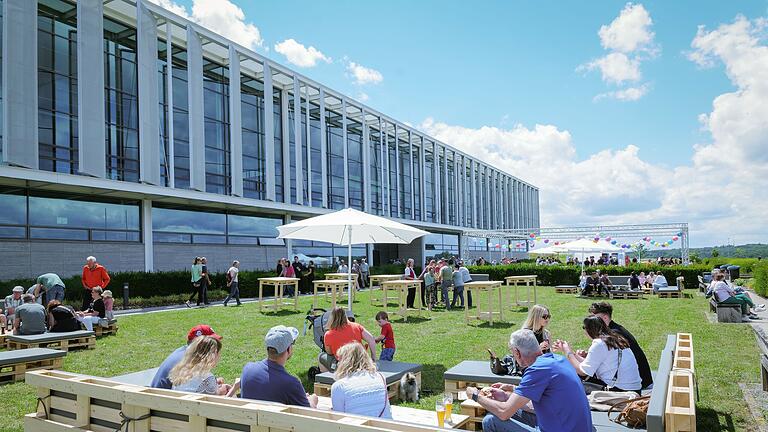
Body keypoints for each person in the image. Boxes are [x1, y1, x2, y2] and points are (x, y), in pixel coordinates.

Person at [466, 329, 592, 432]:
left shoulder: (537, 370)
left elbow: (504, 412)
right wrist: (506, 395)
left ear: (517, 352)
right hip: (576, 427)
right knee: (499, 408)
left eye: (512, 352)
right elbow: (543, 401)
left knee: (491, 421)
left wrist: (476, 396)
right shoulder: (558, 360)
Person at [553, 316, 642, 393]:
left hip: (620, 391)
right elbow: (589, 365)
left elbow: (582, 372)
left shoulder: (599, 343)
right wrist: (572, 353)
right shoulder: (615, 339)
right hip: (634, 389)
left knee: (570, 382)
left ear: (589, 329)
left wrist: (567, 352)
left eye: (584, 327)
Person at [241, 325, 319, 407]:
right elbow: (308, 412)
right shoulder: (291, 384)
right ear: (288, 349)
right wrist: (312, 400)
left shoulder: (247, 369)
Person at [589, 302, 653, 389]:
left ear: (605, 317)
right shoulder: (615, 329)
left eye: (594, 318)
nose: (591, 322)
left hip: (638, 382)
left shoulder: (613, 334)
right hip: (639, 378)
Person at [331, 342, 392, 419]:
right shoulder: (381, 377)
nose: (337, 364)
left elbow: (339, 418)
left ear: (344, 362)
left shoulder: (339, 386)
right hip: (387, 427)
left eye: (339, 360)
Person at [151, 325, 221, 389]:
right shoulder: (187, 360)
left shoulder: (182, 352)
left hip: (159, 395)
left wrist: (212, 383)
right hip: (165, 399)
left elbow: (191, 384)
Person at [170, 335, 234, 395]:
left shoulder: (182, 371)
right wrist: (232, 389)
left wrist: (214, 384)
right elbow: (215, 401)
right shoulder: (207, 377)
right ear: (213, 355)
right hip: (195, 406)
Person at [319, 307, 377, 372]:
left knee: (321, 356)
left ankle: (326, 378)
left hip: (344, 365)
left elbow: (329, 352)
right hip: (362, 361)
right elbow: (371, 339)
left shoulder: (328, 334)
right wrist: (373, 357)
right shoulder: (357, 326)